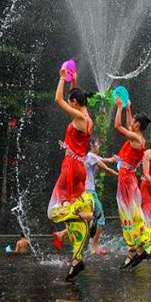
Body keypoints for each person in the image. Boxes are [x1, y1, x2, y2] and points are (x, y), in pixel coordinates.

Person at [47, 67, 95, 281]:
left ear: (75, 103)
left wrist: (60, 79)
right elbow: (76, 97)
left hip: (70, 167)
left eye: (72, 100)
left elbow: (58, 100)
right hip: (80, 168)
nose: (70, 102)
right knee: (72, 207)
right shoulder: (87, 116)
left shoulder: (77, 115)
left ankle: (85, 216)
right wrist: (73, 81)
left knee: (56, 210)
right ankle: (76, 260)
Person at [53, 138, 118, 255]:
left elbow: (106, 160)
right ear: (93, 146)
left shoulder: (88, 156)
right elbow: (106, 168)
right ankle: (94, 246)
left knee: (86, 220)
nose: (99, 147)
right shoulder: (91, 156)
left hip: (82, 191)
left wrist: (114, 159)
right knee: (100, 218)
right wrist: (121, 175)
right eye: (98, 144)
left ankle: (61, 234)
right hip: (89, 192)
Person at [113, 97, 151, 268]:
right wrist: (128, 109)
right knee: (130, 214)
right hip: (127, 177)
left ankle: (139, 247)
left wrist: (118, 107)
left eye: (132, 121)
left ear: (137, 125)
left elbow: (118, 126)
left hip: (126, 179)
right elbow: (128, 125)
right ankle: (134, 251)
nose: (130, 122)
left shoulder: (136, 139)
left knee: (129, 215)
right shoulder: (137, 136)